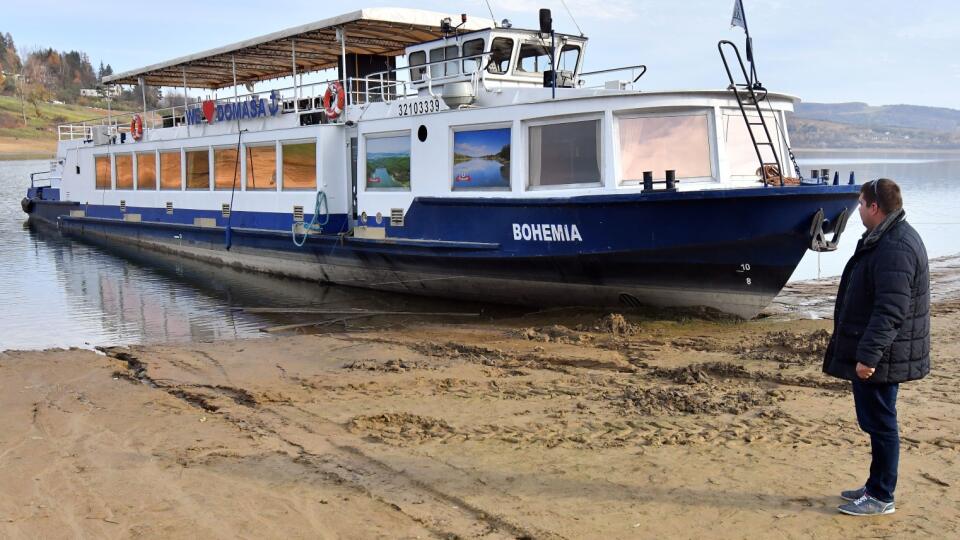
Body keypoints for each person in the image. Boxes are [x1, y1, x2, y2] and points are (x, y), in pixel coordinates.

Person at [822, 178, 930, 516]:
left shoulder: (896, 246)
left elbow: (890, 310)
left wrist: (868, 356)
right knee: (876, 421)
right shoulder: (887, 238)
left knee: (882, 424)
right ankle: (874, 486)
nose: (857, 210)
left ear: (874, 206)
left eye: (860, 203)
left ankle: (881, 496)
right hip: (882, 352)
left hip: (883, 355)